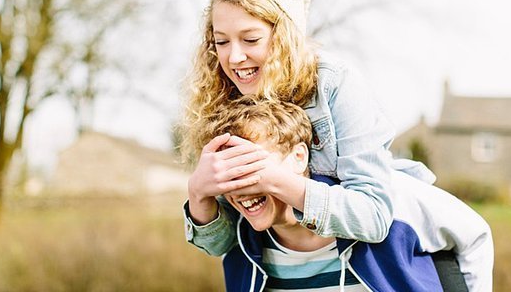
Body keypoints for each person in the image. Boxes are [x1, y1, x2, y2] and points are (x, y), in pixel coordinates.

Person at [180, 0, 471, 289]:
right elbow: (223, 241)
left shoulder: (334, 84)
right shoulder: (225, 100)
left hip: (379, 258)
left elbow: (373, 215)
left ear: (284, 37)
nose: (234, 57)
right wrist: (199, 194)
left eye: (250, 39)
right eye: (221, 42)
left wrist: (276, 179)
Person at [185, 96, 493, 292]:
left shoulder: (378, 201)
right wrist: (199, 193)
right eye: (229, 174)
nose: (242, 187)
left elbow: (475, 234)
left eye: (253, 166)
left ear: (298, 157)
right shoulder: (242, 245)